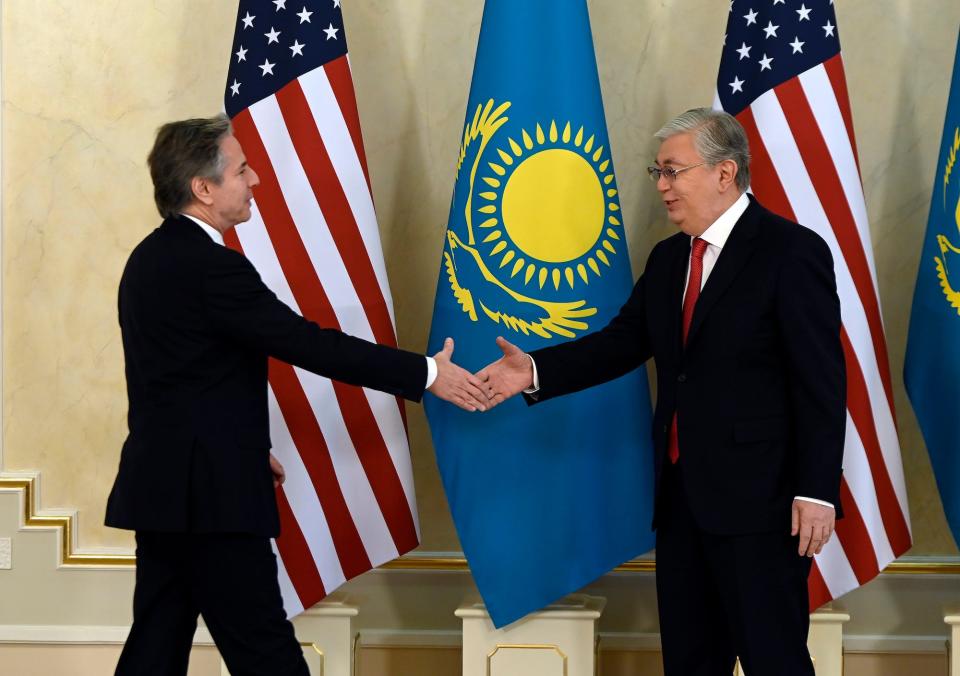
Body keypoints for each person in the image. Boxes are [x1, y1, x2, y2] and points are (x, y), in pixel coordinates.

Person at [105, 114, 488, 676]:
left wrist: (238, 445)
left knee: (156, 645)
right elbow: (308, 344)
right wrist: (426, 375)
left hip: (163, 489)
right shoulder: (212, 268)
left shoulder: (147, 258)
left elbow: (177, 382)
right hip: (214, 500)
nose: (255, 179)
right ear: (203, 188)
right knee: (266, 654)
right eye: (241, 169)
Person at [477, 108, 845, 675]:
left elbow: (820, 381)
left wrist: (817, 490)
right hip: (680, 502)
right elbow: (623, 342)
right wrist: (532, 371)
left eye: (673, 171)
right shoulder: (671, 257)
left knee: (776, 661)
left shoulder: (790, 252)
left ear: (725, 173)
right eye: (658, 172)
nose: (662, 186)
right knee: (690, 662)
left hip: (761, 504)